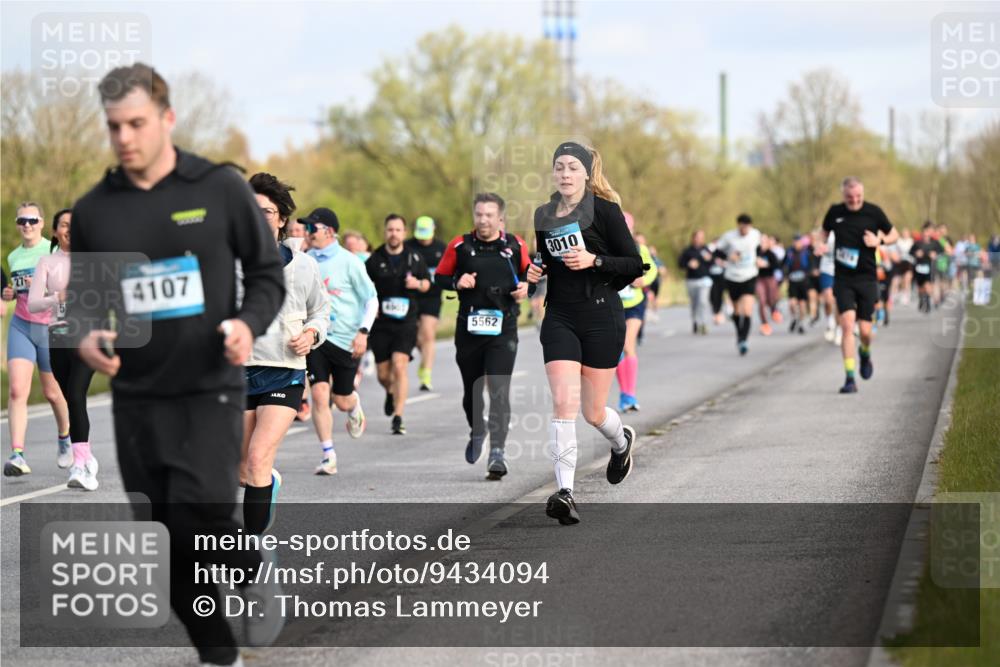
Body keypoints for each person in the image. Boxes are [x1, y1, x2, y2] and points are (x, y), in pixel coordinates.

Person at [69, 63, 286, 667]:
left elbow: (267, 274)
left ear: (166, 119)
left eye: (136, 123)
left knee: (201, 520)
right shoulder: (94, 212)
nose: (125, 138)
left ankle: (240, 573)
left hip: (210, 389)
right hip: (137, 398)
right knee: (169, 551)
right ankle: (222, 654)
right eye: (114, 126)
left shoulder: (217, 188)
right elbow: (85, 308)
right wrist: (88, 338)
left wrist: (246, 323)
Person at [526, 142, 643, 525]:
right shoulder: (544, 214)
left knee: (593, 412)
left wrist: (595, 260)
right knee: (564, 405)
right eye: (559, 166)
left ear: (586, 174)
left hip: (601, 316)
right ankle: (565, 493)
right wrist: (533, 273)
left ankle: (621, 442)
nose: (564, 174)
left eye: (572, 167)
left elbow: (633, 265)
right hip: (560, 315)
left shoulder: (605, 212)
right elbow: (543, 260)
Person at [240, 173, 330, 532]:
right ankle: (267, 484)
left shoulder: (303, 264)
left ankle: (252, 550)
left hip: (284, 370)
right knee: (242, 468)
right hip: (236, 371)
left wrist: (311, 333)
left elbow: (321, 311)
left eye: (267, 211)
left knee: (258, 457)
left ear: (280, 219)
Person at [433, 193, 529, 478]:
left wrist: (527, 288)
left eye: (489, 215)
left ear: (501, 218)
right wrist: (456, 281)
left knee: (499, 389)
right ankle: (478, 428)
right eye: (479, 214)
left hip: (504, 327)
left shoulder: (515, 245)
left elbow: (531, 275)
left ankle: (497, 453)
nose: (483, 219)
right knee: (472, 391)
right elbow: (439, 276)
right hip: (469, 328)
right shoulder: (460, 245)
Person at [27, 209, 101, 489]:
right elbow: (34, 303)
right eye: (64, 225)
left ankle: (80, 467)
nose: (70, 229)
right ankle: (87, 455)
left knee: (77, 393)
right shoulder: (47, 262)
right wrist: (56, 297)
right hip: (58, 336)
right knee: (71, 399)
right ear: (55, 232)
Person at [302, 208, 376, 473]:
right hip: (316, 338)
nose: (308, 233)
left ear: (330, 232)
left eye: (312, 228)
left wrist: (363, 332)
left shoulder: (350, 262)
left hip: (346, 340)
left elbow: (371, 299)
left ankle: (353, 405)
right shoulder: (305, 260)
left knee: (341, 400)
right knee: (320, 395)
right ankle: (328, 455)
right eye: (306, 228)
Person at [3, 202, 71, 477]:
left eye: (32, 220)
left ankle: (65, 437)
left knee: (53, 393)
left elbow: (67, 292)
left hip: (49, 328)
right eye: (22, 221)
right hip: (21, 325)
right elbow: (18, 293)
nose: (27, 225)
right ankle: (17, 454)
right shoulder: (13, 256)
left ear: (42, 223)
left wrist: (43, 286)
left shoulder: (53, 251)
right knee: (18, 390)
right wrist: (10, 293)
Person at [821, 176, 898, 394]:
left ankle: (865, 353)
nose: (854, 201)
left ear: (863, 194)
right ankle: (849, 378)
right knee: (846, 326)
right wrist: (820, 244)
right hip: (844, 279)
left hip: (867, 278)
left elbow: (894, 234)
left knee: (865, 331)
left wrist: (878, 241)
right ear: (843, 195)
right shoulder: (835, 212)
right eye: (849, 197)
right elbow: (824, 233)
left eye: (858, 197)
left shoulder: (873, 212)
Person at [366, 214, 432, 435]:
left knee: (400, 364)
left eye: (398, 230)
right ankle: (391, 392)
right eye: (390, 230)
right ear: (385, 232)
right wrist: (369, 309)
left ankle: (398, 416)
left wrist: (417, 283)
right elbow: (362, 289)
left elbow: (427, 285)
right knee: (384, 375)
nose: (394, 233)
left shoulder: (414, 257)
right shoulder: (374, 260)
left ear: (404, 233)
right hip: (381, 324)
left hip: (406, 321)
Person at [615, 213, 659, 412]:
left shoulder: (638, 249)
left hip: (635, 303)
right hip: (613, 305)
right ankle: (625, 394)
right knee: (616, 350)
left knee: (627, 344)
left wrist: (644, 280)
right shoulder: (607, 249)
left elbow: (652, 270)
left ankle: (629, 395)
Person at [405, 216, 447, 392]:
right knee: (415, 336)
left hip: (433, 296)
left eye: (426, 234)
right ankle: (425, 360)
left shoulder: (441, 248)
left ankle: (426, 374)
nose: (422, 238)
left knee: (428, 333)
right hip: (411, 297)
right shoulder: (408, 246)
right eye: (420, 234)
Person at [715, 213, 762, 355]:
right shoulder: (729, 237)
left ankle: (743, 340)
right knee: (736, 311)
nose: (744, 230)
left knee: (747, 310)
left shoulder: (755, 234)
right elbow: (717, 252)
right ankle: (739, 333)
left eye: (747, 227)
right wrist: (728, 257)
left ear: (750, 226)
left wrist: (758, 258)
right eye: (742, 227)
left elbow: (759, 248)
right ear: (738, 226)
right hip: (732, 276)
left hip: (749, 275)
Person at [678, 230, 714, 335]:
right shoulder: (687, 251)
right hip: (691, 280)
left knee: (703, 302)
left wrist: (710, 259)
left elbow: (713, 262)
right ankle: (695, 321)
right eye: (697, 237)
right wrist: (689, 264)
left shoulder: (706, 249)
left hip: (704, 280)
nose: (699, 239)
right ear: (693, 238)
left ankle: (703, 323)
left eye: (701, 237)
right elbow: (680, 264)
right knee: (694, 304)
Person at [783, 234, 813, 334]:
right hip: (792, 280)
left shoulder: (806, 253)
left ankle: (801, 323)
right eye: (795, 241)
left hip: (803, 281)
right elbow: (784, 264)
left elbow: (811, 266)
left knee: (802, 304)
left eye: (798, 241)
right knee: (792, 303)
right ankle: (794, 318)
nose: (796, 243)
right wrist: (785, 274)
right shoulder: (789, 252)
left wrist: (809, 275)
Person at [911, 221, 941, 314]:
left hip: (930, 266)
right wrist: (916, 254)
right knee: (920, 286)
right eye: (925, 231)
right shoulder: (917, 243)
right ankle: (921, 299)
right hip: (919, 266)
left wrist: (935, 254)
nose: (926, 233)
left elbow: (941, 252)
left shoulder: (935, 243)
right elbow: (910, 252)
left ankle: (927, 302)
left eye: (928, 231)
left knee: (928, 285)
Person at [754, 234, 780, 336]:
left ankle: (774, 309)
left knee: (771, 299)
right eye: (761, 241)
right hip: (759, 279)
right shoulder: (755, 252)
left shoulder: (771, 254)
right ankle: (764, 324)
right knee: (761, 300)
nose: (762, 243)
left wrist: (766, 264)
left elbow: (776, 266)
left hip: (770, 278)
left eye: (764, 241)